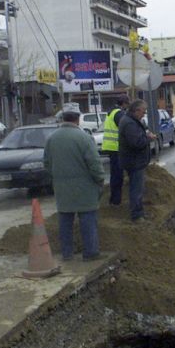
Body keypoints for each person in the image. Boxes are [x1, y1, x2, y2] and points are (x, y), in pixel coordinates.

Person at [42, 109, 105, 261]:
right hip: (85, 186)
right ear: (77, 120)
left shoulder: (51, 139)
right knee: (87, 218)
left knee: (65, 220)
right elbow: (94, 163)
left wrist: (57, 177)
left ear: (63, 119)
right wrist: (100, 179)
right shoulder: (84, 138)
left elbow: (46, 163)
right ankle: (90, 252)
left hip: (61, 186)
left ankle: (67, 253)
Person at [118, 99, 155, 223]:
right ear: (137, 110)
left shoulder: (132, 121)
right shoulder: (129, 124)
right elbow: (137, 143)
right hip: (134, 162)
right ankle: (137, 216)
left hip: (135, 161)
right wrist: (148, 138)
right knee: (136, 189)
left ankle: (139, 213)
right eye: (143, 111)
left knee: (138, 188)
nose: (144, 114)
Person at [101, 95, 129, 205]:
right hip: (116, 147)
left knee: (115, 174)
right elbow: (125, 127)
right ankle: (116, 200)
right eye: (127, 104)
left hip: (110, 147)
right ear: (124, 104)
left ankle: (114, 199)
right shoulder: (119, 113)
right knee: (118, 175)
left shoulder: (111, 112)